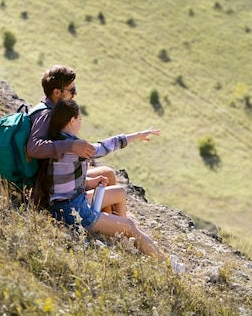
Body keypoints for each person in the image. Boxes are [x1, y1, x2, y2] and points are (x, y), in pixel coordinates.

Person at [43, 98, 185, 272]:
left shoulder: (55, 144)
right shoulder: (77, 148)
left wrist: (91, 182)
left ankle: (122, 241)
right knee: (129, 225)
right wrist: (137, 135)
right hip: (75, 211)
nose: (80, 122)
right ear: (72, 120)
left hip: (64, 204)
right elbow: (107, 146)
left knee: (118, 192)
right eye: (79, 119)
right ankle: (167, 265)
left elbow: (64, 182)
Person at [27, 65, 118, 210]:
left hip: (57, 176)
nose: (75, 95)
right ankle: (108, 224)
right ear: (57, 92)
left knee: (107, 175)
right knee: (107, 179)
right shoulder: (46, 115)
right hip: (52, 186)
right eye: (72, 90)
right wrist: (70, 146)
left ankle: (110, 223)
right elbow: (33, 148)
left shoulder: (51, 110)